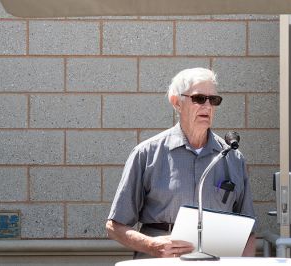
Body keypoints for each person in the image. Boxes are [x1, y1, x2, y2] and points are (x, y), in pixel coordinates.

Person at [106, 67, 256, 259]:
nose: (207, 106)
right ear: (177, 102)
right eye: (199, 99)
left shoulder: (232, 158)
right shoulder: (147, 154)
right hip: (161, 261)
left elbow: (249, 231)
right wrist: (151, 245)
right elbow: (114, 226)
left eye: (214, 100)